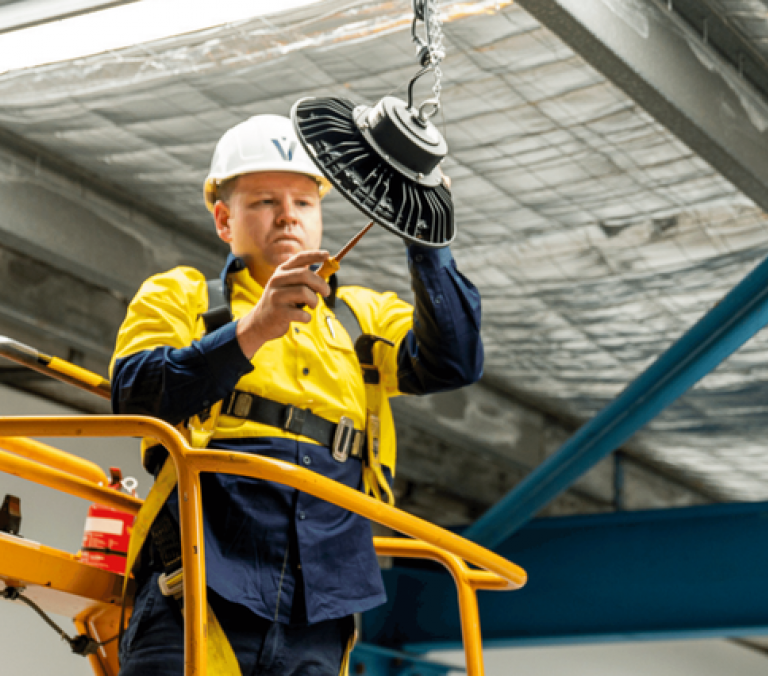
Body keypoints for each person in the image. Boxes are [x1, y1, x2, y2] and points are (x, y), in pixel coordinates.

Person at [110, 113, 483, 676]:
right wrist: (253, 327)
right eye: (263, 201)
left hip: (323, 602)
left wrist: (426, 238)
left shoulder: (361, 317)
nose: (287, 215)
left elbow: (453, 361)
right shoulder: (182, 296)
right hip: (199, 578)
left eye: (304, 203)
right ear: (222, 219)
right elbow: (136, 395)